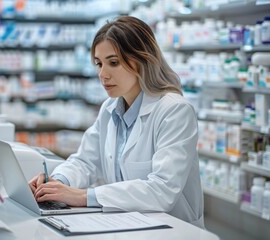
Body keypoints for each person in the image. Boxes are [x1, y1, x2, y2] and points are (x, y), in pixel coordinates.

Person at [29, 16, 204, 228]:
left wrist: (83, 196)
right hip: (126, 224)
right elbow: (85, 162)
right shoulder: (109, 109)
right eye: (99, 64)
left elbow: (162, 190)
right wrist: (57, 183)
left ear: (141, 61)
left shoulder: (174, 110)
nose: (103, 74)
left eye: (113, 63)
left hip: (173, 229)